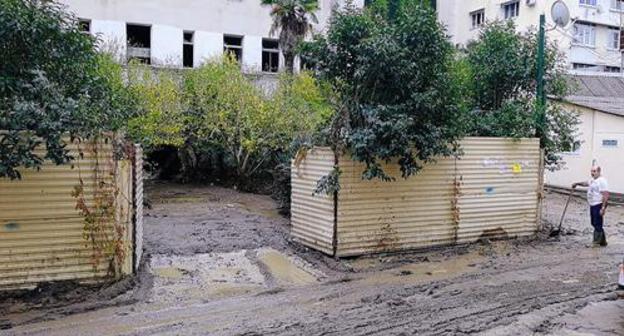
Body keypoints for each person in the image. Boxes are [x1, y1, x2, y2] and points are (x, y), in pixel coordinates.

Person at [572, 166, 609, 247]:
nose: (592, 173)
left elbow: (606, 195)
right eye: (591, 171)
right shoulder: (593, 180)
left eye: (594, 171)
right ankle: (603, 241)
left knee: (597, 222)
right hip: (592, 204)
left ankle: (596, 242)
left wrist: (603, 208)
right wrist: (577, 183)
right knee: (594, 222)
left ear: (599, 171)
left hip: (598, 204)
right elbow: (586, 183)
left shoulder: (602, 181)